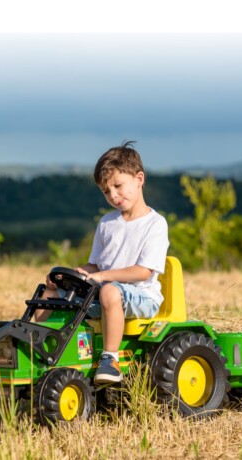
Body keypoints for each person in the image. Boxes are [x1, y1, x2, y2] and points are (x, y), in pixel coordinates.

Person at [37, 141, 169, 384]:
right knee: (49, 292)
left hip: (142, 297)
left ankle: (110, 360)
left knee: (109, 291)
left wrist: (103, 277)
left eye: (118, 186)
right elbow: (96, 266)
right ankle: (43, 347)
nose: (113, 195)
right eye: (106, 191)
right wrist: (76, 275)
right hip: (104, 292)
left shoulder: (155, 224)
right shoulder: (107, 223)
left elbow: (143, 272)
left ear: (139, 179)